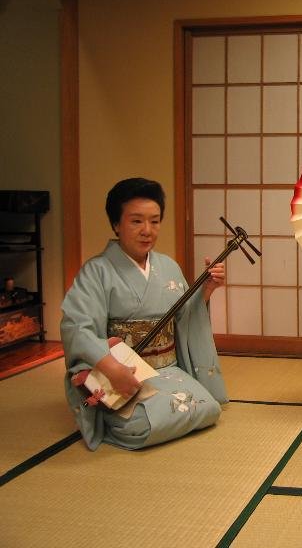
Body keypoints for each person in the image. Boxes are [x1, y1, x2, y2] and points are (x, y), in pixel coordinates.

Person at [61, 178, 228, 450]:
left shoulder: (168, 267)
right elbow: (77, 327)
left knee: (208, 409)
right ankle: (112, 415)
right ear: (116, 224)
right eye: (136, 221)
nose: (147, 230)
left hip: (167, 368)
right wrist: (112, 368)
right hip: (123, 374)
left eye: (155, 221)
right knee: (143, 426)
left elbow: (183, 319)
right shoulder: (97, 271)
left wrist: (205, 291)